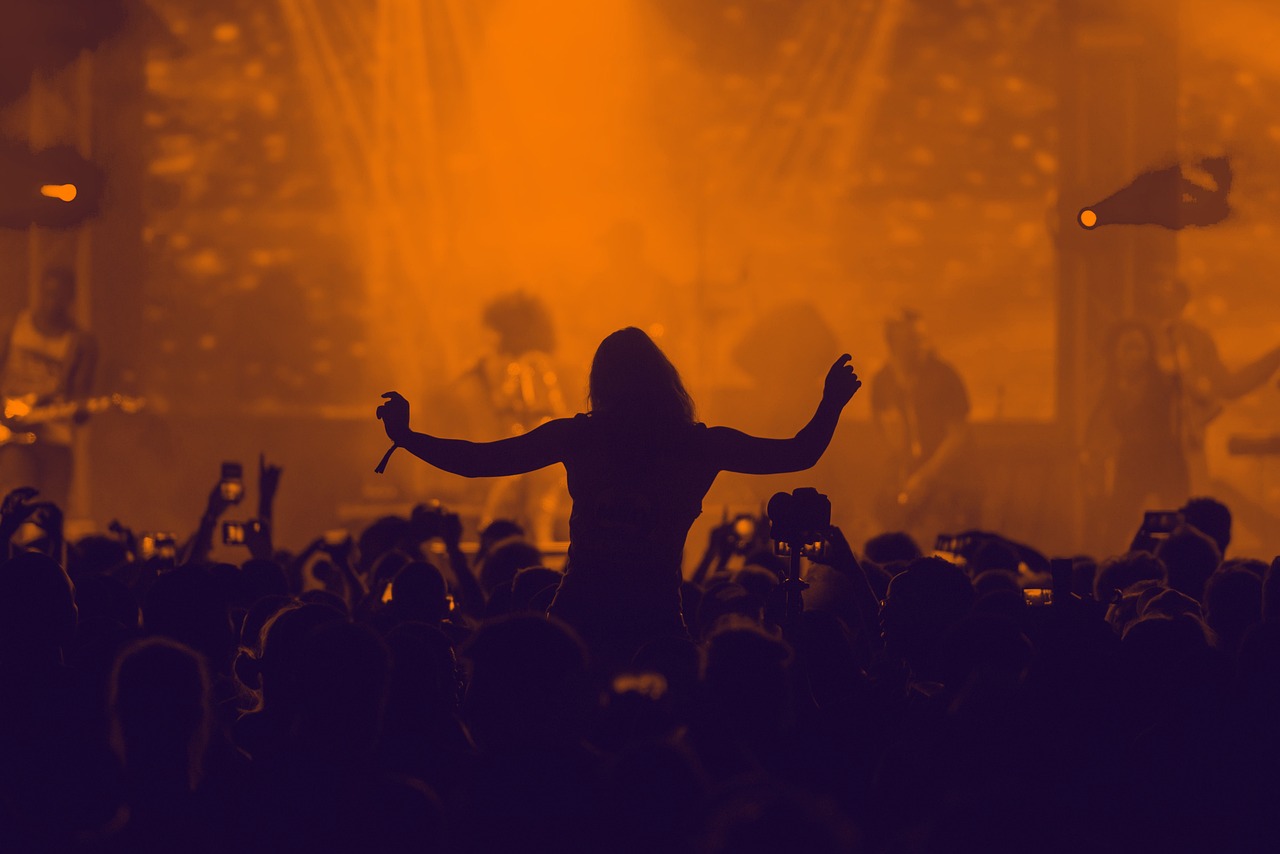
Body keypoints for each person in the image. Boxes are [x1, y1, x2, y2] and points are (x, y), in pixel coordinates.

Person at [377, 327, 861, 660]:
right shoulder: (697, 446)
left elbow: (481, 462)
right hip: (656, 622)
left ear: (600, 383)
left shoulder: (581, 437)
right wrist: (831, 404)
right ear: (665, 382)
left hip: (578, 618)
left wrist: (409, 437)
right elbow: (798, 454)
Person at [870, 310, 974, 545]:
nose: (920, 346)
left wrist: (926, 476)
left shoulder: (944, 376)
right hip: (904, 479)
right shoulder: (882, 381)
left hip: (947, 479)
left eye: (922, 338)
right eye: (911, 340)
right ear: (893, 344)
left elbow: (958, 436)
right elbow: (882, 431)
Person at [1082, 320, 1188, 550]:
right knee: (1116, 526)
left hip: (1165, 460)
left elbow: (1201, 405)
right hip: (1130, 462)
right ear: (1115, 352)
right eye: (1127, 347)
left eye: (1139, 347)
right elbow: (1095, 426)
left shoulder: (1166, 383)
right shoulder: (1108, 387)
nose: (1134, 355)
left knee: (1173, 528)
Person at [0, 266, 98, 510]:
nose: (52, 302)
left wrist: (82, 409)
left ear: (70, 298)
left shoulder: (81, 343)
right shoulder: (12, 328)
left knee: (50, 514)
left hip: (55, 439)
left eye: (59, 296)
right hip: (12, 436)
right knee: (14, 506)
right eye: (48, 294)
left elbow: (79, 398)